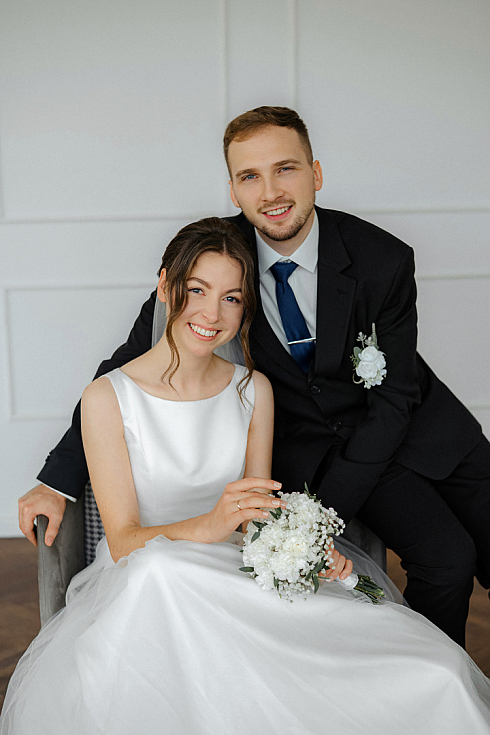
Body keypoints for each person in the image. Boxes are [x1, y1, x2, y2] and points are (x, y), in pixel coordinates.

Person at [19, 107, 490, 648]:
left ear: (315, 173)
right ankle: (427, 684)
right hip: (322, 452)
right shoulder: (217, 258)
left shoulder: (382, 258)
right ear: (233, 190)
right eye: (250, 176)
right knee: (448, 561)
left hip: (417, 423)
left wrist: (318, 517)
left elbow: (396, 395)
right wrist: (56, 479)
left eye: (285, 169)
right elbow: (124, 369)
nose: (270, 192)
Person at [3, 217, 490, 734]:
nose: (211, 314)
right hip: (151, 579)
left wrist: (300, 549)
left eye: (232, 298)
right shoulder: (107, 396)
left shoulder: (253, 388)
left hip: (238, 570)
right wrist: (211, 523)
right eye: (196, 290)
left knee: (435, 672)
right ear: (165, 285)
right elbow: (124, 542)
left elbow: (256, 518)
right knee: (159, 571)